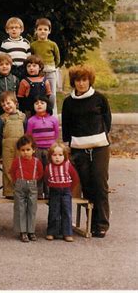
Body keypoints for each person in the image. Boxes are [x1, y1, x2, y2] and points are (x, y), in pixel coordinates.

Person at [62, 64, 112, 238]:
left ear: (90, 81)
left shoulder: (99, 99)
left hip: (99, 147)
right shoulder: (68, 102)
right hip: (78, 148)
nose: (81, 83)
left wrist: (100, 137)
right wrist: (68, 145)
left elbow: (107, 120)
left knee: (100, 184)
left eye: (84, 80)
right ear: (73, 82)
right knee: (86, 187)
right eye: (78, 80)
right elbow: (66, 126)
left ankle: (102, 224)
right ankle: (90, 223)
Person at [10, 135, 43, 243]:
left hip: (32, 185)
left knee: (32, 208)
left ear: (33, 150)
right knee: (20, 208)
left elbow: (40, 173)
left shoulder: (36, 162)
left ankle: (31, 231)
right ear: (19, 151)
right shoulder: (17, 161)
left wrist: (35, 180)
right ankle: (22, 231)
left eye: (28, 149)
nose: (25, 152)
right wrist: (17, 182)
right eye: (22, 150)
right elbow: (12, 172)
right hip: (20, 185)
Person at [44, 141, 79, 242]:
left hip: (66, 191)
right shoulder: (48, 167)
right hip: (54, 191)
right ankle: (51, 232)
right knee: (54, 212)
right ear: (50, 156)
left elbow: (75, 178)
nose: (57, 158)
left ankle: (67, 233)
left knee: (66, 212)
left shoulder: (68, 166)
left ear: (65, 156)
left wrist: (69, 189)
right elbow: (46, 179)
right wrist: (52, 185)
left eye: (60, 155)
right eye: (54, 155)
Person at [26, 95, 59, 199]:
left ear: (47, 105)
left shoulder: (53, 120)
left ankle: (49, 192)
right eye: (36, 103)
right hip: (37, 150)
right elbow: (29, 135)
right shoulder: (31, 121)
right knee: (38, 171)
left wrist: (54, 146)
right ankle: (39, 193)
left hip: (50, 150)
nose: (39, 105)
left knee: (49, 171)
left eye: (42, 103)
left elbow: (56, 134)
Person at [0, 91, 27, 198]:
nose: (6, 106)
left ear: (15, 102)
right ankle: (9, 192)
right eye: (3, 105)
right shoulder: (2, 118)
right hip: (7, 147)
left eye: (8, 103)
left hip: (20, 146)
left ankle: (20, 190)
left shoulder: (22, 117)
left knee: (20, 167)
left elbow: (26, 130)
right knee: (8, 167)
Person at [30, 18, 60, 115]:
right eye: (40, 29)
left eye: (45, 29)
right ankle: (39, 116)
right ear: (36, 31)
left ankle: (53, 116)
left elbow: (57, 58)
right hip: (38, 74)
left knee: (52, 95)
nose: (43, 31)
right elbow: (31, 58)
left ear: (49, 31)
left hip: (51, 72)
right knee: (39, 95)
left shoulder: (52, 44)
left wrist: (52, 67)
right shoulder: (33, 45)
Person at [0, 53, 19, 120]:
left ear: (11, 65)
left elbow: (17, 93)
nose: (4, 66)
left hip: (13, 108)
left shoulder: (14, 79)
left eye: (7, 64)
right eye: (1, 64)